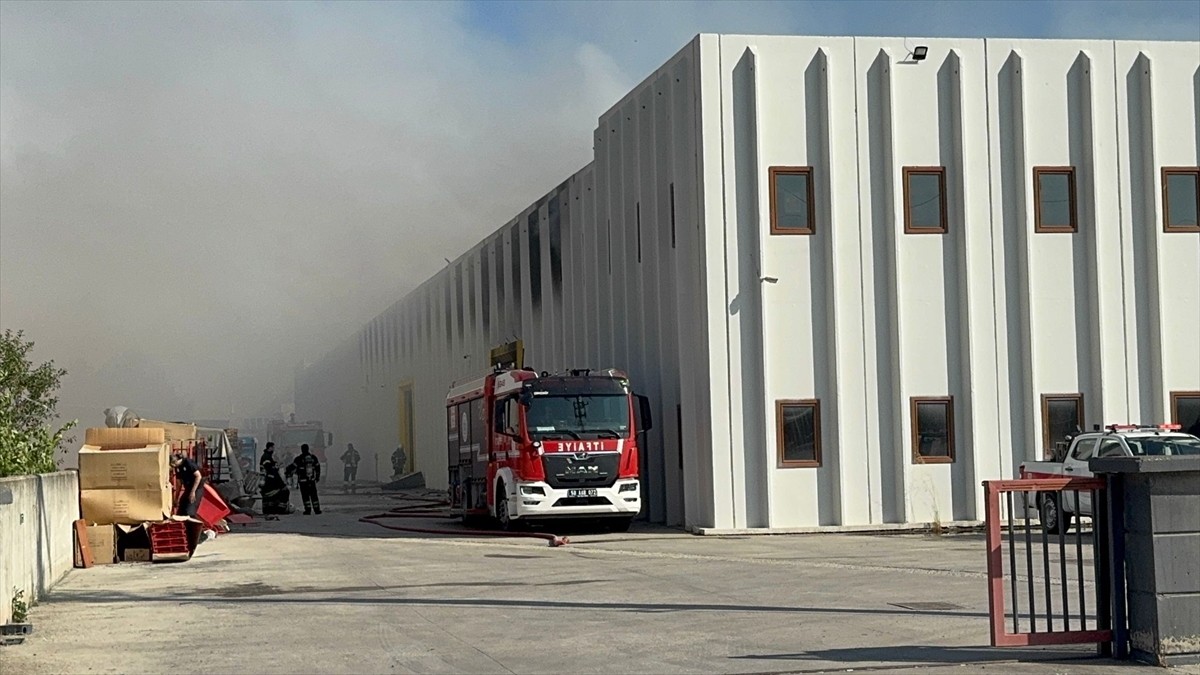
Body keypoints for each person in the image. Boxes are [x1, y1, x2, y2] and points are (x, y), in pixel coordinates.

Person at [288, 443, 322, 515]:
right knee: (314, 495)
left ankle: (308, 510)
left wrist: (287, 470)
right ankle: (317, 510)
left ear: (302, 450)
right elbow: (317, 467)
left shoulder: (299, 459)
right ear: (308, 449)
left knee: (305, 496)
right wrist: (317, 477)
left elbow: (292, 467)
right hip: (311, 480)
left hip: (303, 481)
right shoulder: (313, 458)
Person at [170, 452, 204, 517]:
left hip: (196, 487)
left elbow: (198, 476)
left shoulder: (188, 463)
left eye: (173, 464)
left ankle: (192, 519)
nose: (174, 466)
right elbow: (179, 483)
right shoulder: (178, 467)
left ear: (176, 461)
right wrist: (176, 498)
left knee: (189, 508)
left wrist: (193, 492)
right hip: (188, 488)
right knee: (182, 505)